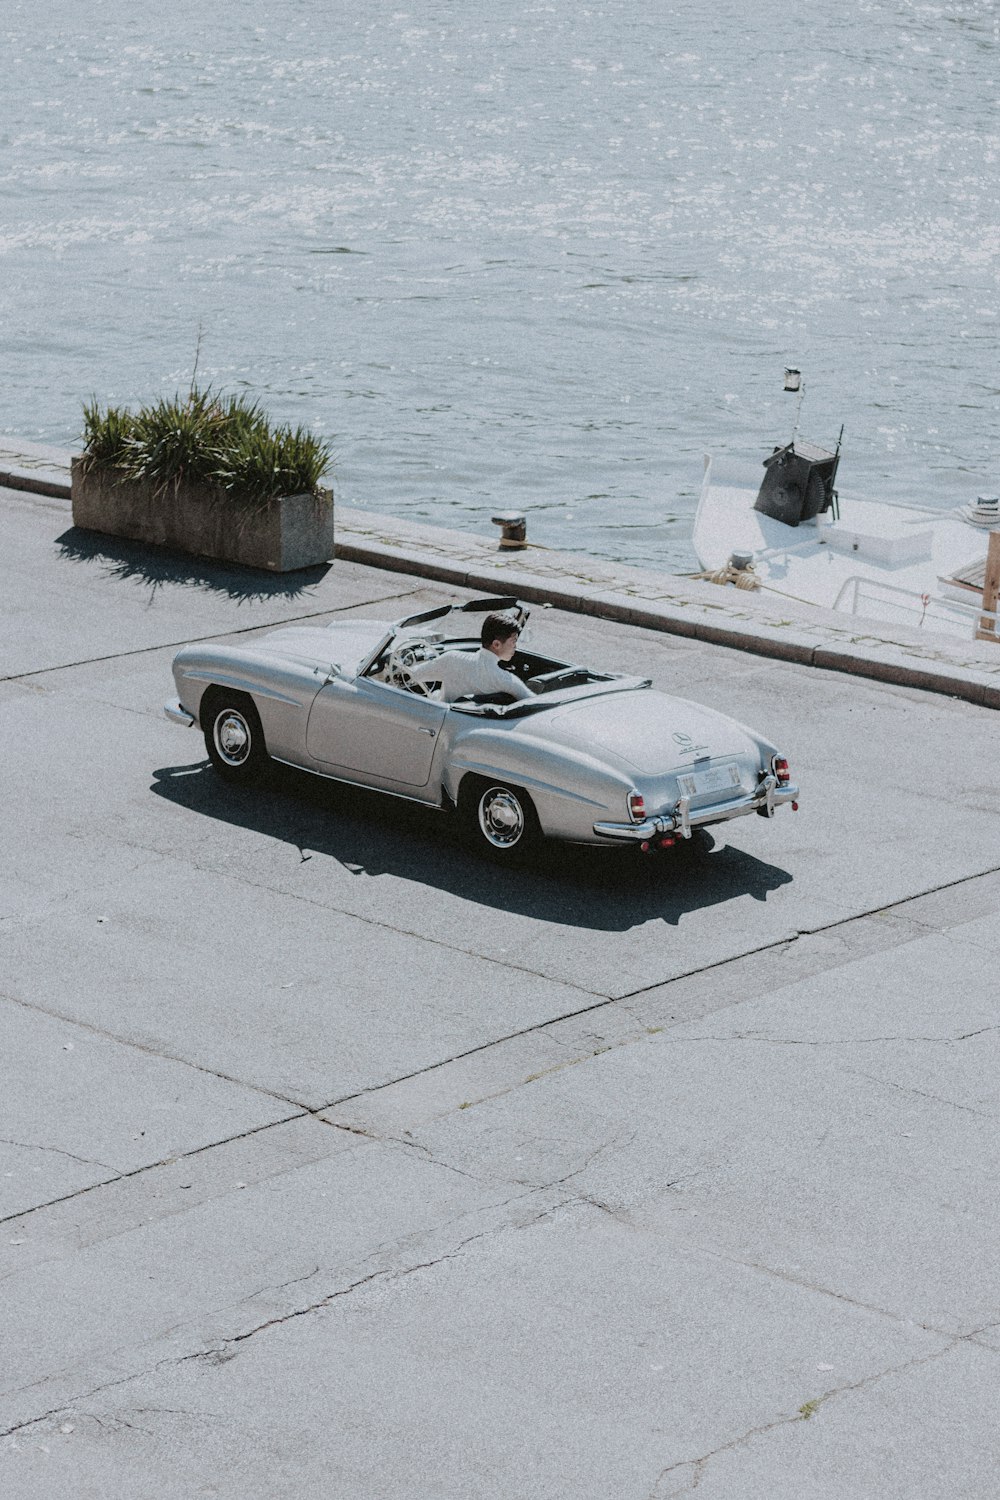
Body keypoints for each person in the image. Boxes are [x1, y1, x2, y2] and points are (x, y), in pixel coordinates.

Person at [408, 612, 534, 703]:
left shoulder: (451, 658)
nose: (515, 647)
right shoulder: (505, 679)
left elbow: (413, 675)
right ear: (496, 644)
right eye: (513, 642)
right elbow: (533, 701)